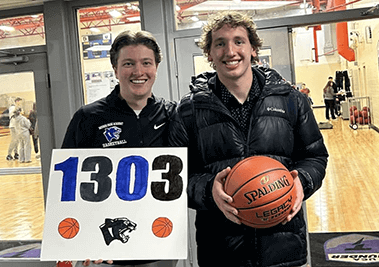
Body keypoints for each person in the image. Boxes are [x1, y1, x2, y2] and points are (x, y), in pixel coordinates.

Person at [168, 11, 328, 267]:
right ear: (209, 53)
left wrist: (302, 183)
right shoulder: (188, 111)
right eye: (220, 43)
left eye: (239, 41)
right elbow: (174, 178)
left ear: (253, 49)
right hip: (220, 250)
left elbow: (315, 156)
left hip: (283, 247)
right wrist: (210, 191)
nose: (230, 51)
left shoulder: (291, 100)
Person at [61, 30, 176, 267]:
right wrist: (82, 238)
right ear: (115, 69)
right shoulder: (88, 117)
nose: (138, 72)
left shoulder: (172, 114)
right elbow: (67, 183)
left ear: (156, 67)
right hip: (107, 249)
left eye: (146, 63)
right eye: (128, 64)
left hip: (159, 245)